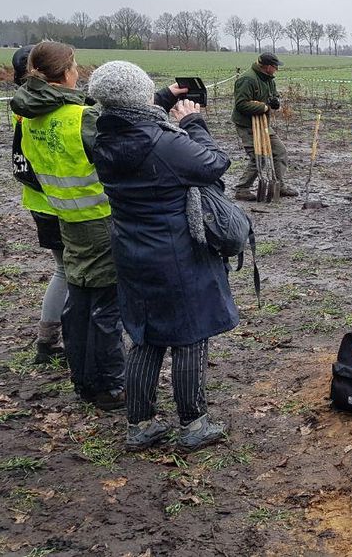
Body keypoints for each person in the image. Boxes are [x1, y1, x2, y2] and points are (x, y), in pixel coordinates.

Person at [88, 60, 238, 452]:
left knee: (147, 336)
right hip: (177, 251)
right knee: (191, 334)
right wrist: (193, 123)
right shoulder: (164, 143)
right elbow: (214, 165)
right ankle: (194, 423)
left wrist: (164, 99)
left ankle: (140, 425)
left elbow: (127, 114)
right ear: (138, 95)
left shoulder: (100, 137)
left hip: (132, 250)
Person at [11, 42, 125, 410]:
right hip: (97, 219)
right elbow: (120, 157)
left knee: (79, 299)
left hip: (64, 214)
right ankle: (109, 387)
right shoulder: (79, 118)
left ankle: (82, 379)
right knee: (107, 304)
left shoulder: (27, 113)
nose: (79, 72)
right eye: (75, 66)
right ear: (66, 72)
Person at [8, 45, 66, 364]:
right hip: (63, 204)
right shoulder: (55, 110)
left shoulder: (24, 107)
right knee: (70, 273)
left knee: (64, 270)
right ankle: (54, 340)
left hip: (39, 200)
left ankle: (48, 340)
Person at [232, 52, 297, 200]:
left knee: (279, 151)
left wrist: (275, 102)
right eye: (275, 67)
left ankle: (279, 186)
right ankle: (242, 189)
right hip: (247, 124)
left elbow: (273, 96)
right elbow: (241, 104)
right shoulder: (247, 79)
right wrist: (265, 107)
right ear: (267, 67)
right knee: (257, 157)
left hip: (263, 123)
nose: (276, 70)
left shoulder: (269, 79)